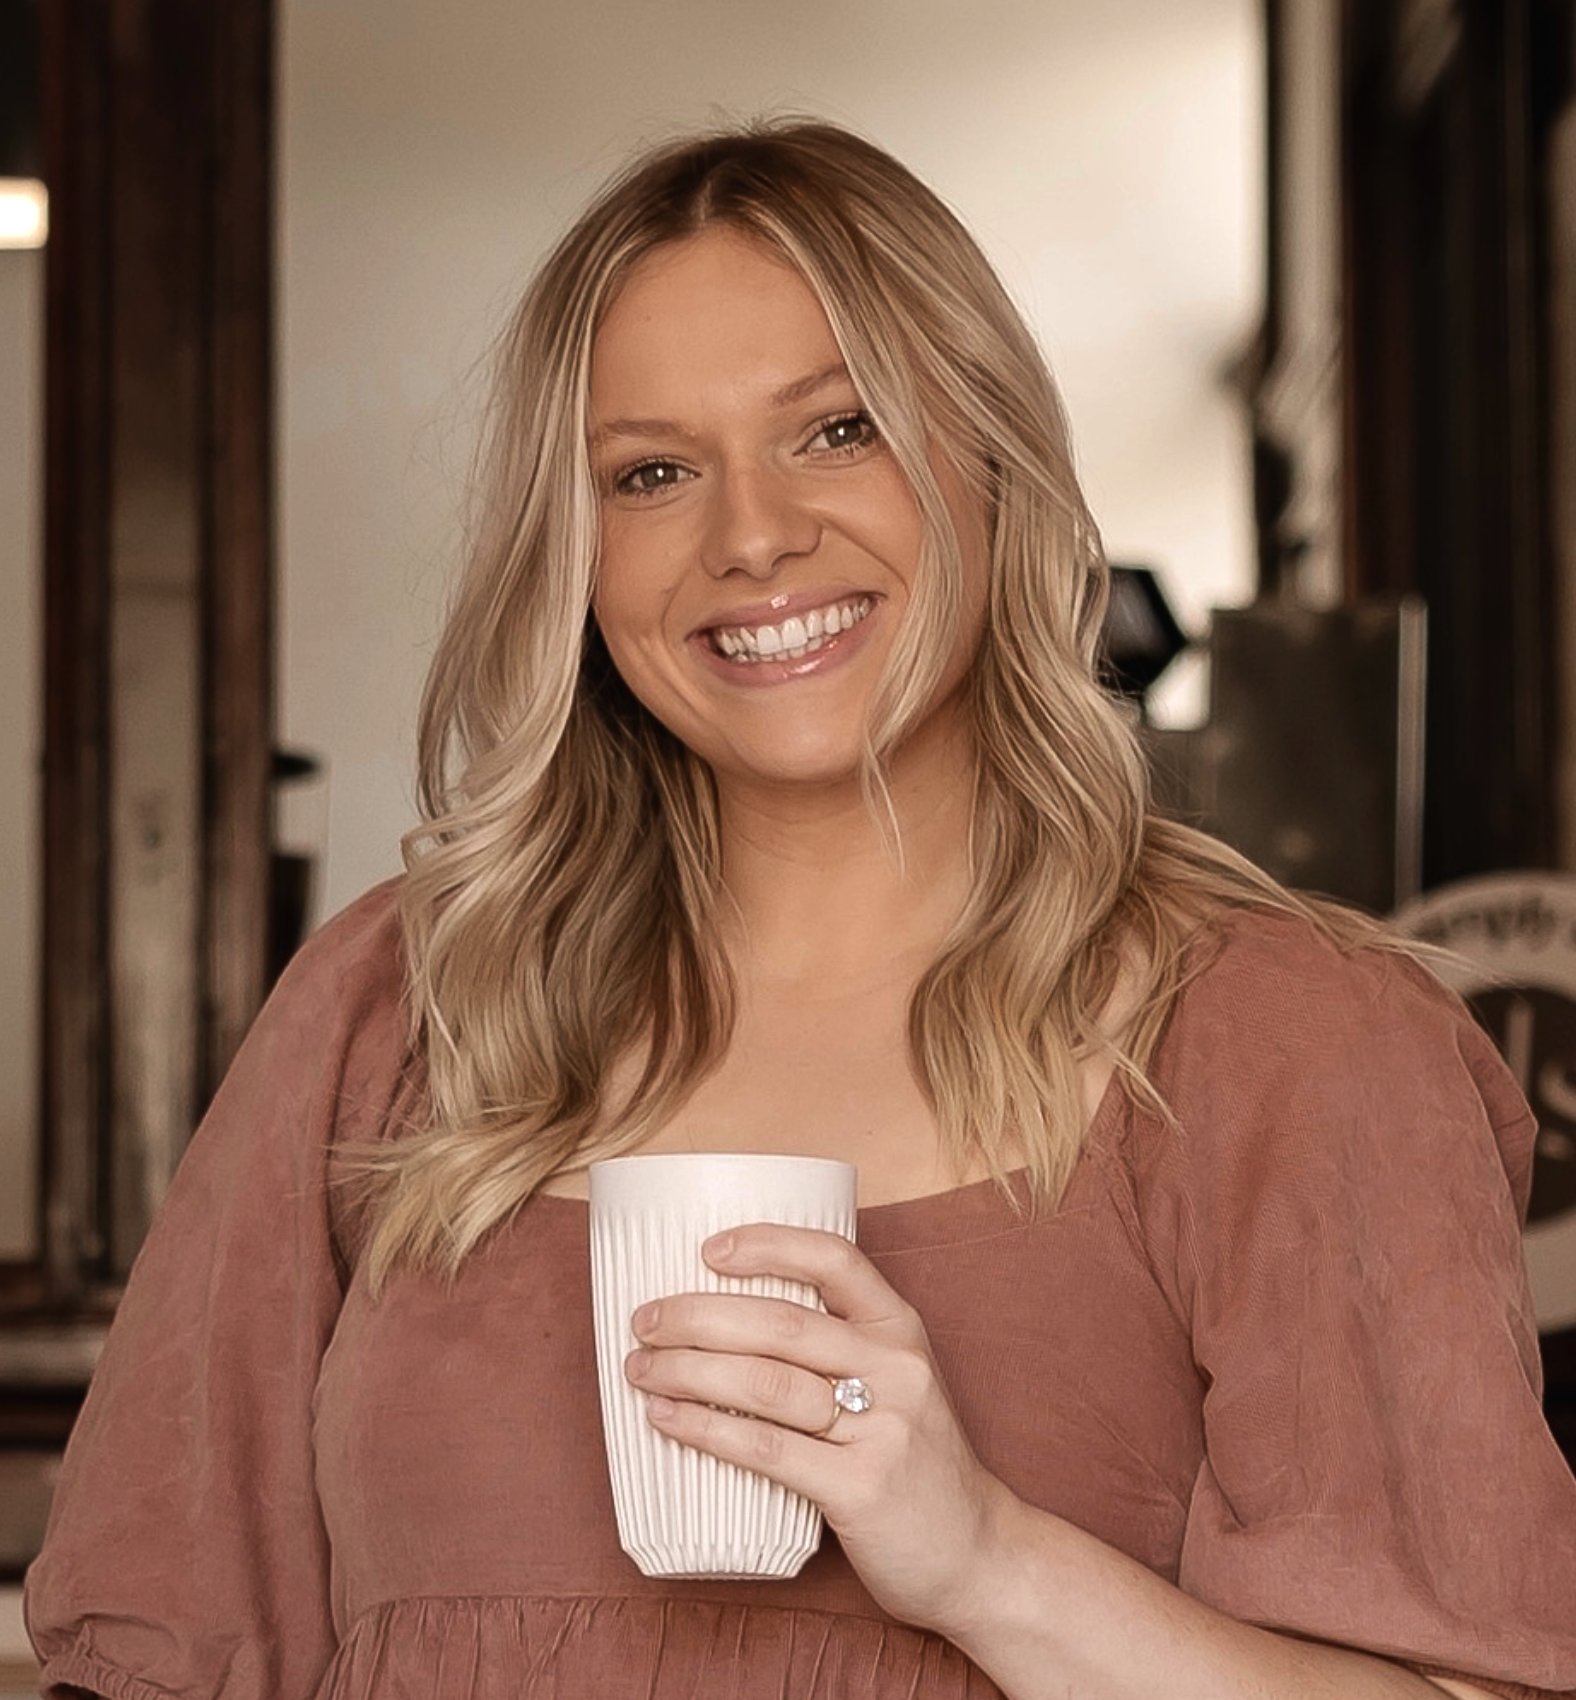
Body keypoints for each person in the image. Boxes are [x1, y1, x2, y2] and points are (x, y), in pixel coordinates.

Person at [23, 119, 1576, 1700]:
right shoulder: (398, 1010)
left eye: (837, 431)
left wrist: (986, 1560)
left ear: (989, 460)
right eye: (651, 471)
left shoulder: (1299, 1045)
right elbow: (146, 1662)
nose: (751, 533)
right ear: (578, 558)